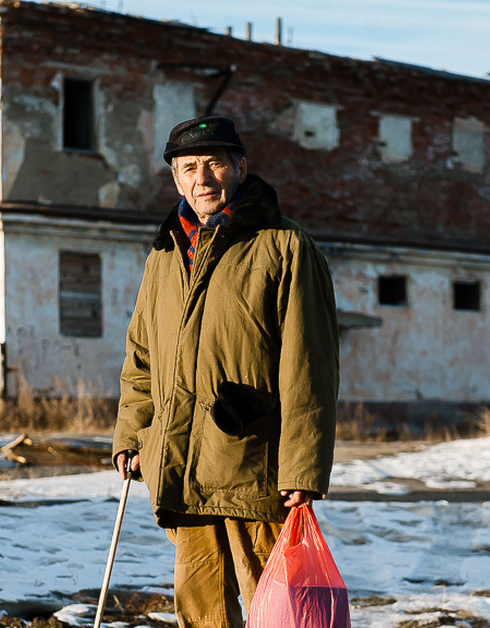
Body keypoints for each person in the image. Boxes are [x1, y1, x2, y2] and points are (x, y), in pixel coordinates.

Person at [112, 115, 340, 628]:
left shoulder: (285, 246)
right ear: (175, 176)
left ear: (241, 167)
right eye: (188, 167)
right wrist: (131, 434)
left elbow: (310, 368)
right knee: (200, 612)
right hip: (181, 462)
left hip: (252, 466)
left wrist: (302, 469)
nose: (202, 178)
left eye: (215, 164)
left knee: (275, 610)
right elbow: (141, 358)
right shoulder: (165, 253)